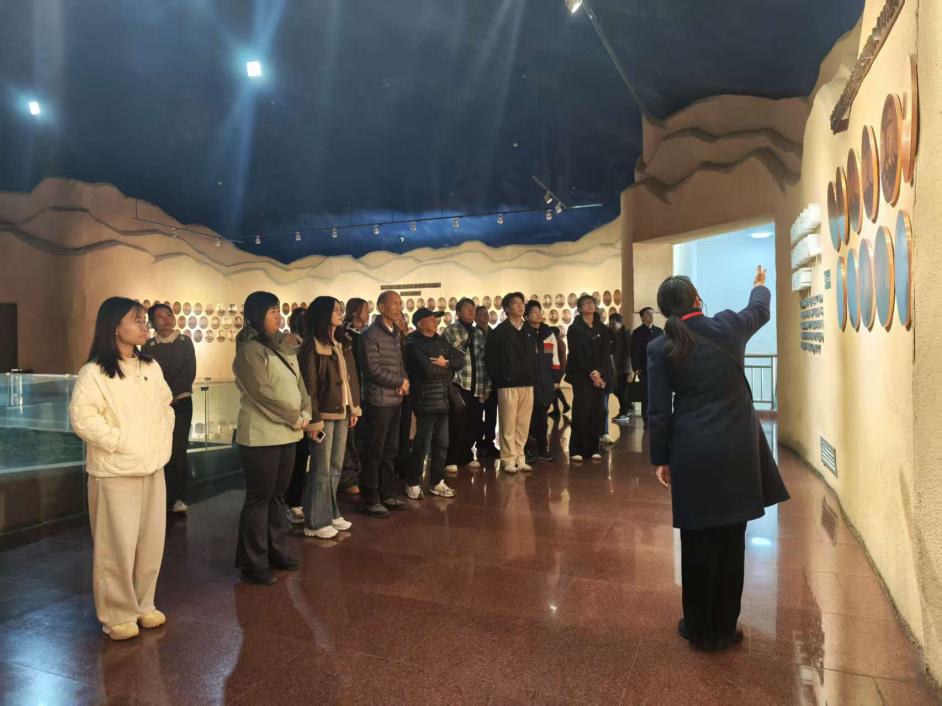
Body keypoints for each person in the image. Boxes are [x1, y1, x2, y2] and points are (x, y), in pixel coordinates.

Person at [648, 267, 789, 651]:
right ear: (697, 299)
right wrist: (759, 285)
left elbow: (658, 411)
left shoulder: (660, 347)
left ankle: (698, 627)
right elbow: (759, 310)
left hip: (691, 450)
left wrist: (661, 458)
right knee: (731, 541)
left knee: (696, 541)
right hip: (737, 449)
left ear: (665, 311)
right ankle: (725, 627)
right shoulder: (728, 326)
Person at [69, 297, 175, 640]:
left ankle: (144, 604)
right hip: (114, 470)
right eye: (137, 320)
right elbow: (83, 419)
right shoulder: (94, 372)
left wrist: (159, 443)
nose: (145, 326)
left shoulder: (150, 367)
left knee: (150, 542)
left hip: (151, 466)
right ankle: (117, 613)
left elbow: (166, 406)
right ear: (115, 327)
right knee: (116, 546)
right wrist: (121, 441)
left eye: (144, 320)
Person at [233, 291, 313, 585]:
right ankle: (253, 562)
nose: (278, 316)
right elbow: (262, 393)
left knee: (279, 495)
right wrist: (295, 417)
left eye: (279, 310)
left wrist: (306, 410)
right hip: (261, 435)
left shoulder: (283, 345)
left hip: (287, 432)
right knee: (260, 497)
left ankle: (276, 550)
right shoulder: (249, 350)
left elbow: (299, 383)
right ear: (256, 315)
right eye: (271, 311)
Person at [299, 296, 362, 539]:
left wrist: (353, 408)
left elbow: (351, 379)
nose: (340, 313)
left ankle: (331, 511)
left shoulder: (342, 342)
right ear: (323, 313)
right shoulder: (312, 345)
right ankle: (315, 521)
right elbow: (309, 387)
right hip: (323, 414)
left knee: (336, 467)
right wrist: (313, 420)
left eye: (340, 309)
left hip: (342, 411)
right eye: (335, 309)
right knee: (321, 469)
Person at [357, 291, 410, 516]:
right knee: (374, 452)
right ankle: (370, 498)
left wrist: (404, 381)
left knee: (390, 450)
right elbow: (372, 370)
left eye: (400, 303)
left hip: (395, 399)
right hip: (377, 401)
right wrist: (399, 382)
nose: (398, 307)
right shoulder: (369, 335)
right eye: (394, 303)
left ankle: (388, 494)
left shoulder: (395, 332)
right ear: (381, 307)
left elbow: (399, 364)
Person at [404, 308, 465, 499]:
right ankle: (412, 482)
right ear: (420, 323)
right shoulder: (413, 343)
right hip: (425, 400)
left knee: (442, 444)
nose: (435, 321)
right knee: (422, 445)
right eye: (431, 319)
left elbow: (459, 359)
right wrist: (448, 369)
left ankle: (437, 482)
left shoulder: (440, 340)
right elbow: (427, 370)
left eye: (435, 318)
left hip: (443, 399)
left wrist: (445, 364)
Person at [144, 302, 196, 514]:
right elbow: (149, 375)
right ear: (152, 322)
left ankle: (178, 497)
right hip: (157, 404)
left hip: (181, 402)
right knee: (159, 448)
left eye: (169, 315)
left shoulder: (185, 341)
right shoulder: (148, 346)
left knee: (178, 450)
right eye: (160, 317)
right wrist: (162, 397)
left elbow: (189, 371)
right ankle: (161, 497)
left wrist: (172, 395)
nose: (166, 319)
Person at [484, 292, 535, 473]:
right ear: (506, 308)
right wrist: (499, 378)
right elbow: (490, 359)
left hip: (527, 382)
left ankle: (520, 457)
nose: (520, 306)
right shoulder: (499, 332)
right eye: (515, 303)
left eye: (522, 303)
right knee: (508, 423)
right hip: (507, 383)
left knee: (523, 424)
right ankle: (507, 458)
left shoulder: (529, 330)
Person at [442, 298, 490, 473]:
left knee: (473, 423)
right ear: (458, 312)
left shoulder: (479, 333)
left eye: (473, 308)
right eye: (467, 308)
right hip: (459, 384)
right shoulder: (450, 331)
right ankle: (451, 458)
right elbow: (445, 358)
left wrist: (487, 386)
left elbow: (486, 360)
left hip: (478, 385)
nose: (471, 311)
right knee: (457, 423)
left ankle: (467, 455)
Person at [565, 294, 611, 462]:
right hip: (581, 375)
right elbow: (576, 353)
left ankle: (592, 448)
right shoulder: (574, 328)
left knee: (596, 411)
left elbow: (606, 354)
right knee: (581, 410)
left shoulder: (602, 328)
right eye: (585, 303)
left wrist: (600, 372)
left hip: (599, 376)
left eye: (591, 303)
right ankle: (576, 448)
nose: (589, 305)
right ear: (579, 308)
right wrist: (591, 372)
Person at [339, 298, 370, 497]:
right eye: (365, 309)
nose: (368, 313)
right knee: (350, 438)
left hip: (363, 389)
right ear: (356, 311)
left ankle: (357, 474)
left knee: (360, 437)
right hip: (351, 390)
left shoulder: (363, 333)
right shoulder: (347, 334)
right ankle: (348, 478)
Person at [284, 307, 310, 524]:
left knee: (302, 457)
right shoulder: (289, 344)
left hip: (307, 407)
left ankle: (296, 499)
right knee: (294, 458)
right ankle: (292, 502)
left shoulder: (310, 343)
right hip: (294, 409)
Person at [524, 301, 555, 463]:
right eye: (534, 312)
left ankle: (543, 448)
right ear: (526, 316)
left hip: (545, 381)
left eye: (539, 311)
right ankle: (528, 449)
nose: (538, 314)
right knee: (528, 418)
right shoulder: (523, 333)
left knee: (542, 418)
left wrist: (556, 378)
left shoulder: (548, 333)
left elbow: (554, 358)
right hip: (528, 382)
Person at [473, 305, 499, 460]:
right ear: (475, 318)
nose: (484, 317)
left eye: (486, 314)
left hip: (493, 380)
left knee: (491, 414)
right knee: (476, 415)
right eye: (480, 315)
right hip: (478, 381)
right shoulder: (472, 334)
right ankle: (479, 442)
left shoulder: (494, 334)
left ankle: (490, 443)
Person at [631, 306, 664, 426]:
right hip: (644, 368)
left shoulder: (659, 331)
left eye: (652, 313)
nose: (651, 315)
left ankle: (657, 416)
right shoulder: (637, 332)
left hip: (658, 367)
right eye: (647, 313)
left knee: (657, 393)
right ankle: (646, 418)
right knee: (645, 394)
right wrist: (636, 367)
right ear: (642, 317)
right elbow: (634, 351)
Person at [608, 313, 632, 422]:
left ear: (620, 323)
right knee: (617, 389)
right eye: (610, 323)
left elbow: (628, 353)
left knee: (620, 389)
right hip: (615, 366)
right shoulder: (612, 334)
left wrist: (627, 368)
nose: (611, 326)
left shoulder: (625, 335)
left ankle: (624, 412)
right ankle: (628, 407)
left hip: (623, 367)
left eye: (613, 324)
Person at [548, 326, 570, 418]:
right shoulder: (560, 341)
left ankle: (562, 407)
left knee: (554, 389)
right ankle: (558, 408)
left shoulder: (555, 342)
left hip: (557, 369)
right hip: (560, 368)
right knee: (555, 389)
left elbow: (551, 356)